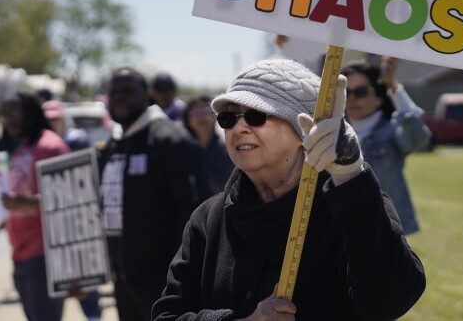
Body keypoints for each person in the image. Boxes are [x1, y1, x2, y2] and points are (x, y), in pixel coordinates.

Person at [152, 58, 426, 321]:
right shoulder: (208, 218)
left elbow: (391, 300)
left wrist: (350, 175)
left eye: (256, 115)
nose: (239, 127)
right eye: (228, 118)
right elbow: (167, 314)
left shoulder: (353, 202)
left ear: (304, 129)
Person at [99, 67, 210, 321]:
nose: (120, 97)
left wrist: (179, 274)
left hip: (162, 282)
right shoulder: (112, 144)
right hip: (123, 278)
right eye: (114, 92)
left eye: (128, 91)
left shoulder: (169, 139)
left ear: (146, 95)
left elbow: (192, 209)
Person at [340, 56, 431, 235]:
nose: (351, 99)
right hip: (340, 224)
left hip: (385, 227)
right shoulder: (333, 133)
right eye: (345, 93)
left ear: (379, 97)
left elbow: (419, 137)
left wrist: (393, 86)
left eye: (361, 91)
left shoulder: (392, 132)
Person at [0, 93, 70, 321]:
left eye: (14, 112)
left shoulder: (51, 147)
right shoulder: (21, 147)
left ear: (30, 112)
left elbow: (69, 202)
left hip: (44, 256)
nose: (8, 119)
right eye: (5, 113)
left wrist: (22, 203)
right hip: (20, 252)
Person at [42, 100, 103, 320]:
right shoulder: (41, 143)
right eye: (47, 119)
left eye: (55, 118)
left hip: (78, 217)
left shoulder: (76, 140)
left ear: (63, 118)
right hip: (53, 221)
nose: (51, 123)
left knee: (85, 278)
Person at [182, 95, 235, 196]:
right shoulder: (184, 149)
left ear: (216, 117)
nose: (201, 118)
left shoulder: (226, 148)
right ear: (188, 119)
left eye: (206, 112)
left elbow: (223, 188)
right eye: (196, 114)